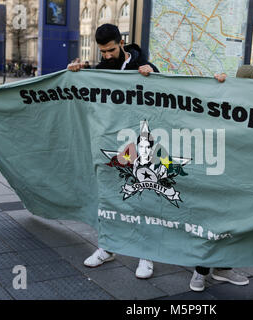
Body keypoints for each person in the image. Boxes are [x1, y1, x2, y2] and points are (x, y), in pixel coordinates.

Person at [68, 23, 159, 279]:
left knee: (143, 198)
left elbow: (166, 92)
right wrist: (74, 72)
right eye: (102, 52)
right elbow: (81, 89)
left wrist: (153, 73)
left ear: (121, 43)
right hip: (112, 143)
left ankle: (146, 253)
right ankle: (108, 247)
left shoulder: (143, 65)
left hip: (141, 142)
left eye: (110, 50)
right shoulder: (100, 70)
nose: (106, 56)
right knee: (109, 197)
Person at [189, 65, 253, 292]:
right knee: (214, 221)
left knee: (237, 223)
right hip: (220, 173)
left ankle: (224, 268)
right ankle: (201, 270)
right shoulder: (226, 100)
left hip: (245, 175)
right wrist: (216, 85)